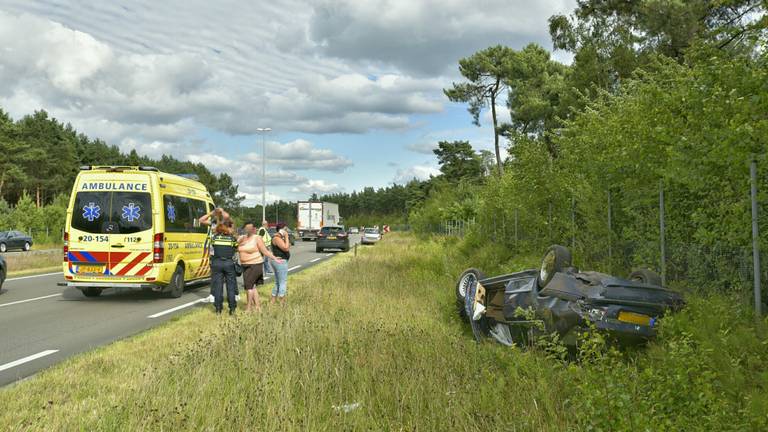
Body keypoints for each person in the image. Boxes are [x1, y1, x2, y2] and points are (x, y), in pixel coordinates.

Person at [238, 221, 284, 312]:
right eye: (246, 228)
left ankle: (248, 308)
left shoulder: (257, 238)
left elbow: (265, 251)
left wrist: (274, 258)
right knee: (253, 286)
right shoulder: (241, 238)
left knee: (249, 287)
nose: (248, 230)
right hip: (245, 265)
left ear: (254, 229)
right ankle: (258, 307)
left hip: (255, 265)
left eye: (250, 228)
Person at [199, 207, 240, 304]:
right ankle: (213, 295)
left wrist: (221, 211)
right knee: (215, 276)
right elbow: (201, 220)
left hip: (228, 252)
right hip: (215, 251)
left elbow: (228, 217)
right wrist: (211, 213)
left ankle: (235, 294)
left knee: (231, 276)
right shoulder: (213, 224)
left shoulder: (228, 225)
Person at [270, 221, 291, 306]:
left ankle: (273, 301)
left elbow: (288, 246)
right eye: (285, 229)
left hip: (280, 261)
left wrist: (286, 238)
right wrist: (286, 236)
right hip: (280, 261)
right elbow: (286, 248)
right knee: (282, 282)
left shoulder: (279, 238)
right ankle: (282, 302)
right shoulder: (277, 238)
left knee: (278, 282)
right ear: (281, 230)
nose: (287, 231)